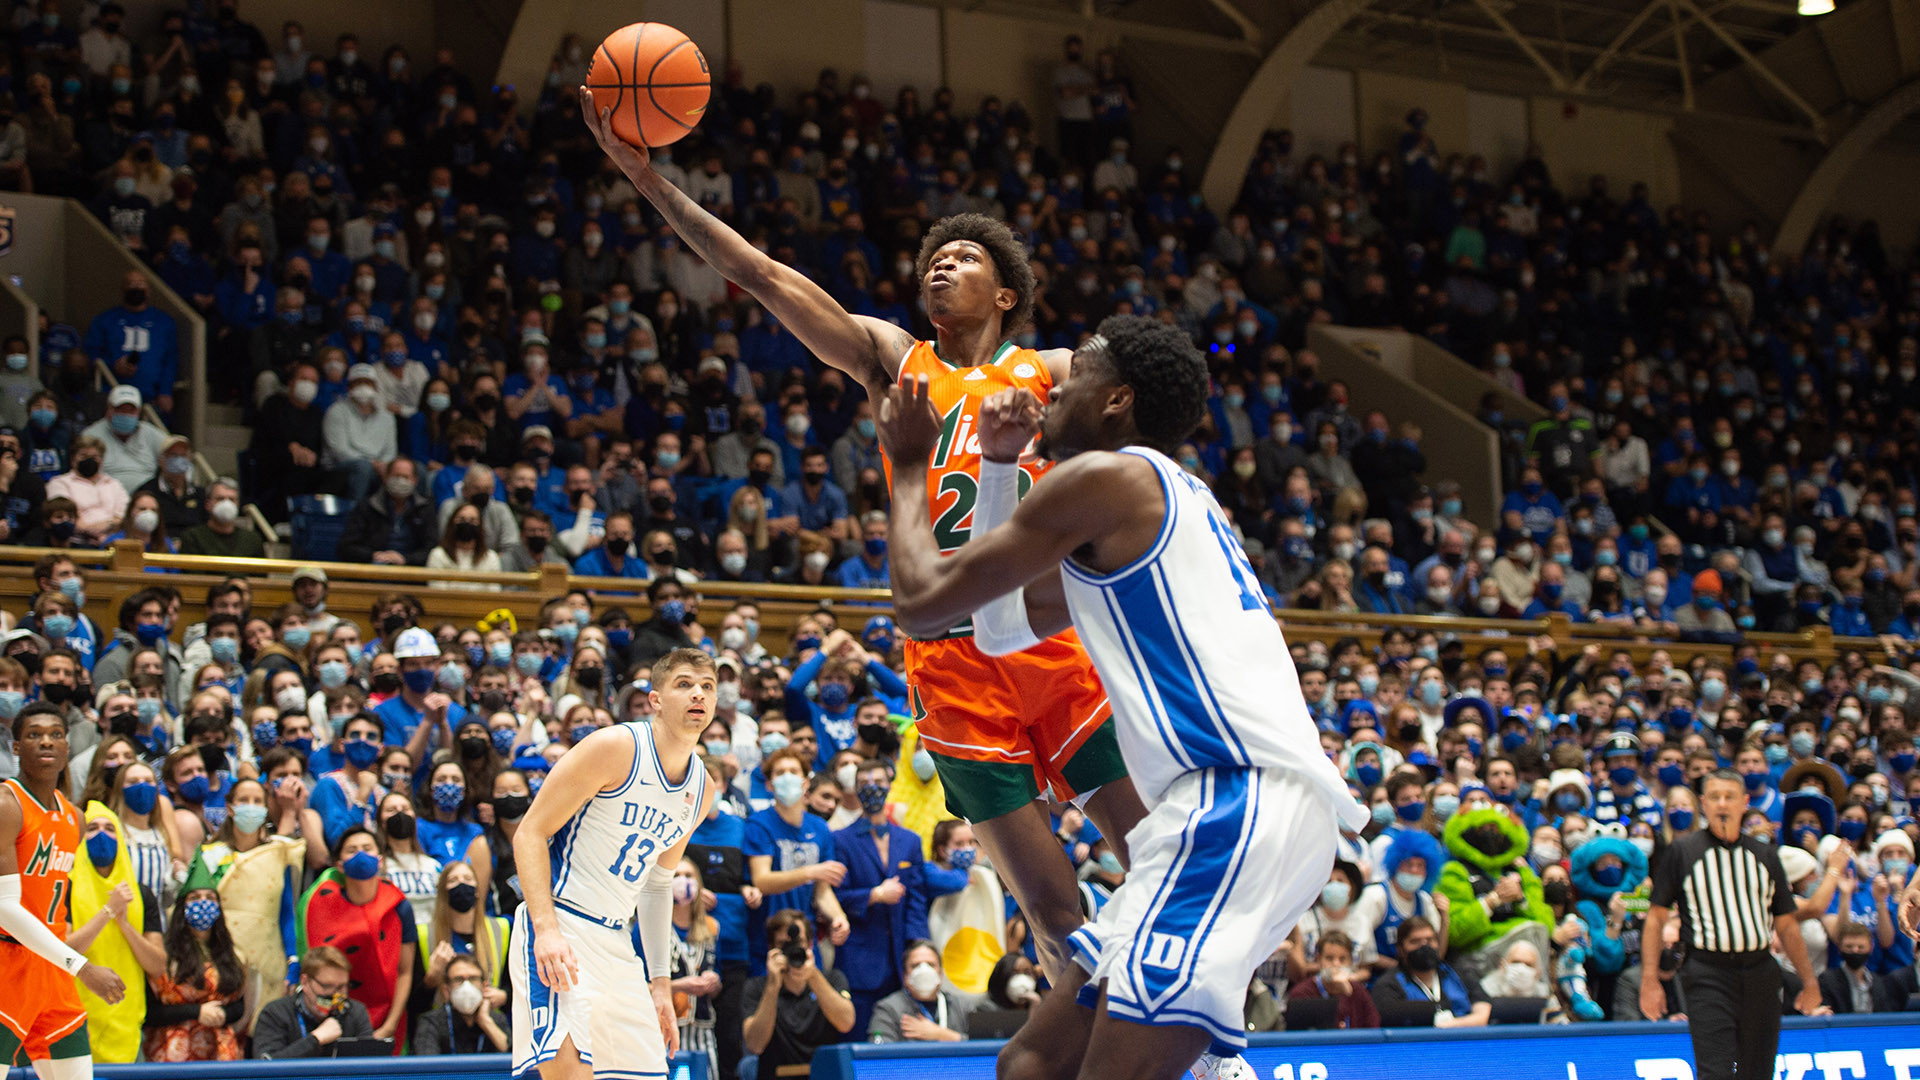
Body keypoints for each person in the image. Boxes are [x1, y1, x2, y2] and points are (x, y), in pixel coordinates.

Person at [585, 96, 1145, 996]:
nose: (940, 266)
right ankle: (1098, 1045)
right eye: (932, 259)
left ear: (1005, 294)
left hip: (1049, 641)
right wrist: (652, 181)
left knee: (1154, 849)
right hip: (951, 661)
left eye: (963, 258)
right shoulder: (896, 359)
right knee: (1055, 912)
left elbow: (1137, 397)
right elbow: (765, 278)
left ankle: (1204, 1046)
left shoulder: (1048, 371)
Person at [874, 314, 1366, 1080]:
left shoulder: (1112, 477)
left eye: (1079, 376)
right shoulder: (1155, 500)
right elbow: (999, 628)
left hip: (1238, 802)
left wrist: (910, 466)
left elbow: (923, 603)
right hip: (1228, 814)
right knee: (1029, 1064)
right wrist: (999, 466)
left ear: (1117, 402)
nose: (1055, 384)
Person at [510, 649, 717, 1080]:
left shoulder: (702, 787)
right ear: (656, 700)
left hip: (618, 943)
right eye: (684, 684)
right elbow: (530, 832)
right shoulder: (615, 746)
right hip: (562, 922)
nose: (698, 693)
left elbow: (659, 883)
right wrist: (545, 929)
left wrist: (661, 983)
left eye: (707, 687)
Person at [1641, 769, 1822, 1080]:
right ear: (1703, 804)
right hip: (1707, 973)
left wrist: (1810, 982)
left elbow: (1788, 926)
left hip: (1761, 972)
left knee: (1759, 1071)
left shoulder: (1765, 855)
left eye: (1730, 797)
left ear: (1744, 802)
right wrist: (1649, 980)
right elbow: (1656, 919)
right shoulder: (1682, 853)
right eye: (1714, 797)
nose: (1722, 804)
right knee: (1716, 1071)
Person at [0, 702, 127, 1074]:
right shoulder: (8, 805)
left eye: (56, 735)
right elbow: (6, 907)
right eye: (34, 735)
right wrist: (83, 967)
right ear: (16, 747)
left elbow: (53, 906)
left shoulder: (75, 817)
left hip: (52, 970)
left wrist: (69, 962)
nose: (46, 743)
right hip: (8, 965)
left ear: (68, 748)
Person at [69, 800, 167, 1063]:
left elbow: (157, 965)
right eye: (92, 828)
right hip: (77, 1024)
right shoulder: (66, 888)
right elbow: (64, 951)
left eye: (110, 828)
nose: (102, 834)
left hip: (129, 1027)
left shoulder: (141, 894)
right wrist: (107, 912)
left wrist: (124, 923)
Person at [297, 827, 414, 1043]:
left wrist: (390, 1025)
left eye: (367, 848)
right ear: (339, 865)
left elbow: (405, 972)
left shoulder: (399, 906)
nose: (360, 854)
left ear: (380, 860)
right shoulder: (319, 903)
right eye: (352, 850)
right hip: (329, 1018)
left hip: (387, 1017)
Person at [142, 862, 249, 1061]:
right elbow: (150, 1012)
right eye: (195, 898)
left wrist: (221, 1014)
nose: (203, 902)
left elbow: (239, 1006)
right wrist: (196, 1012)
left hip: (220, 1051)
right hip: (172, 1052)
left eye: (210, 898)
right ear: (182, 907)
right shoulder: (163, 955)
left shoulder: (232, 954)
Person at [742, 908, 855, 1075]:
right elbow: (755, 1045)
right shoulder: (757, 988)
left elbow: (846, 1023)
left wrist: (813, 976)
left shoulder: (833, 979)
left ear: (810, 944)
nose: (791, 951)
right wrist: (773, 987)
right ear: (771, 949)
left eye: (798, 943)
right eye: (783, 945)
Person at [250, 946, 374, 1058]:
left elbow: (369, 1064)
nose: (334, 995)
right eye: (326, 986)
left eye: (341, 987)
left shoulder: (355, 1012)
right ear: (305, 982)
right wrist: (315, 1040)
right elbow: (266, 1066)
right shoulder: (275, 1013)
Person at [1369, 916, 1489, 1027]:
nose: (1424, 946)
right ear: (1400, 949)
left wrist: (1451, 1025)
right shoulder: (1388, 984)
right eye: (1415, 942)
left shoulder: (1458, 973)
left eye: (1430, 940)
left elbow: (1482, 1014)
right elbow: (1387, 1012)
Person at [868, 939, 973, 1042]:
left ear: (941, 974)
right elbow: (881, 1054)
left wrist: (942, 1035)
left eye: (931, 964)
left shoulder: (962, 1007)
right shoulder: (888, 1009)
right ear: (904, 976)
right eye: (915, 965)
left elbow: (984, 1046)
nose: (924, 970)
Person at [411, 952, 509, 1054]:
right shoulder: (431, 1022)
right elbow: (427, 1063)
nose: (466, 986)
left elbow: (514, 1059)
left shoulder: (497, 1020)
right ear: (446, 990)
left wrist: (485, 1022)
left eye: (473, 979)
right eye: (458, 979)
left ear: (484, 986)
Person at [1283, 930, 1379, 1029]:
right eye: (1329, 958)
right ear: (1318, 959)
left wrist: (1347, 993)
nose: (1336, 964)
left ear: (1350, 961)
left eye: (1342, 959)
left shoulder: (1357, 990)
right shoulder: (1301, 993)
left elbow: (1374, 1027)